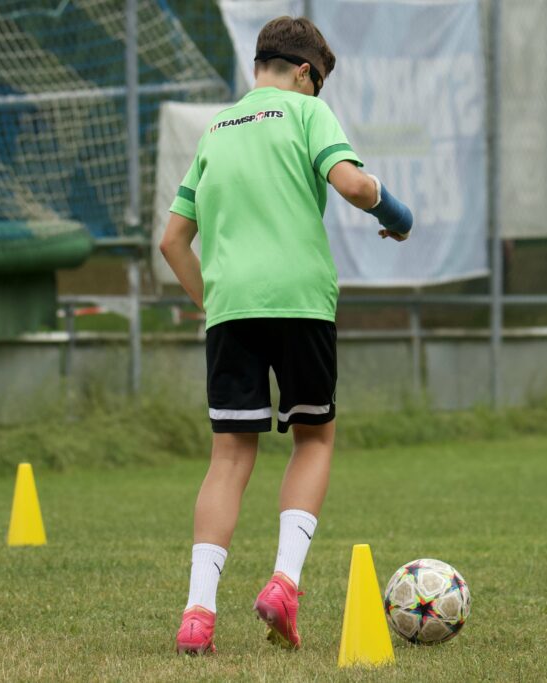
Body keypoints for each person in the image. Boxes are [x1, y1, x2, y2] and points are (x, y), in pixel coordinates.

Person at [158, 15, 413, 655]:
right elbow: (353, 184)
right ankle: (283, 584)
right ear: (305, 72)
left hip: (232, 310)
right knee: (315, 438)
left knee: (229, 457)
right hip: (300, 301)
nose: (316, 94)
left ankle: (197, 614)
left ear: (258, 68)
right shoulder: (305, 114)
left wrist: (215, 301)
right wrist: (397, 214)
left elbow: (172, 240)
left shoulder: (217, 128)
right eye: (318, 84)